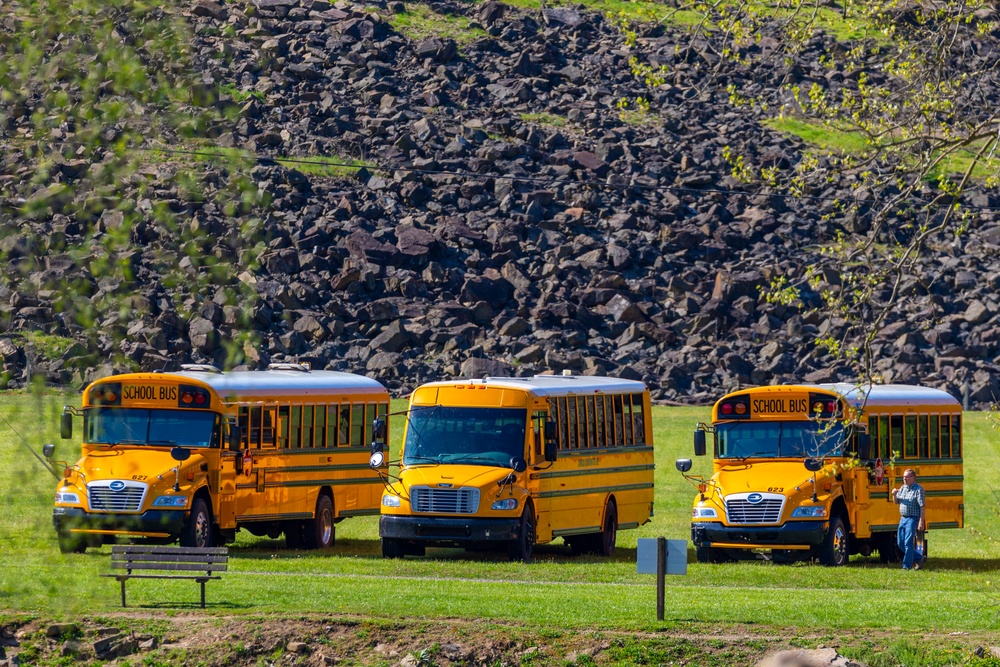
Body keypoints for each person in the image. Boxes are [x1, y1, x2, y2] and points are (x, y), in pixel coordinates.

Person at [891, 469, 926, 570]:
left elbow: (922, 507)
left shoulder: (918, 489)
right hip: (903, 518)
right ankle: (919, 558)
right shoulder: (903, 488)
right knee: (900, 543)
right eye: (903, 477)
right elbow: (896, 502)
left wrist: (920, 521)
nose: (904, 479)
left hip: (912, 518)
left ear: (913, 478)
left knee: (908, 542)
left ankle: (906, 566)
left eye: (907, 477)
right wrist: (894, 495)